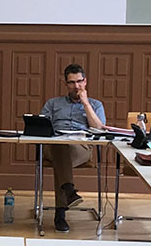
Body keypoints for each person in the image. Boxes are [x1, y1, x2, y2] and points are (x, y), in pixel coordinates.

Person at [40, 63, 105, 233]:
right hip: (54, 145)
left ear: (85, 81)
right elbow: (41, 126)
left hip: (81, 147)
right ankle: (68, 191)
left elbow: (99, 129)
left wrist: (85, 104)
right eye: (72, 82)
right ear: (65, 84)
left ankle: (61, 211)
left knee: (62, 156)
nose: (76, 86)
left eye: (79, 81)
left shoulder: (95, 105)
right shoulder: (53, 103)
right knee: (60, 147)